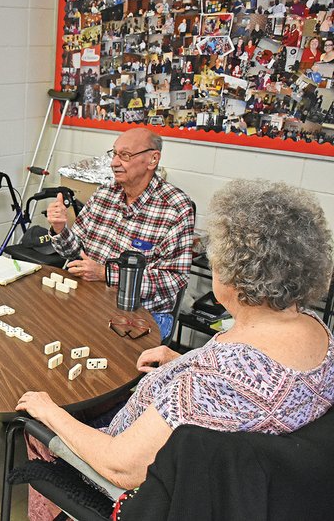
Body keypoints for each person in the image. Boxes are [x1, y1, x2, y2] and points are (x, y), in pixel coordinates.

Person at [22, 179, 334, 521]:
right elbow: (249, 388)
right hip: (267, 487)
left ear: (232, 275)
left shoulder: (215, 378)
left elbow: (120, 467)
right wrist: (182, 361)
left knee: (35, 425)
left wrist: (47, 410)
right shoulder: (317, 331)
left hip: (137, 486)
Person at [45, 128, 194, 340]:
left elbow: (173, 279)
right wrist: (60, 229)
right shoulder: (104, 193)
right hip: (90, 300)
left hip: (143, 314)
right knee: (43, 329)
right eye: (113, 154)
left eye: (125, 155)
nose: (114, 163)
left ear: (153, 159)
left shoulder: (175, 207)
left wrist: (106, 274)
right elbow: (75, 255)